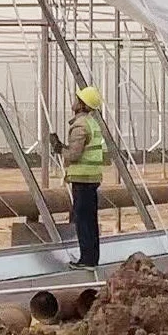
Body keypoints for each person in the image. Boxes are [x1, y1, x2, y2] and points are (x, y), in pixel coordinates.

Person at [55, 86, 107, 271]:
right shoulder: (93, 124)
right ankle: (92, 258)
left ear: (82, 105)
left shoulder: (80, 125)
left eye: (77, 99)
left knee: (83, 219)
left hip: (82, 180)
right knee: (90, 220)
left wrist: (60, 149)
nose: (74, 101)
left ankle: (86, 260)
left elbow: (74, 155)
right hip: (92, 179)